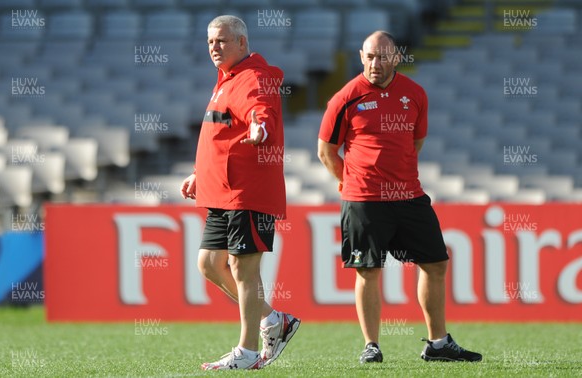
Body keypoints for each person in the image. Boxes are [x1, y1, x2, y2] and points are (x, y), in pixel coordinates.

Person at [317, 31, 482, 363]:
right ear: (361, 57)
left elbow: (415, 143)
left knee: (436, 263)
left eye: (382, 56)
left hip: (409, 196)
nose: (375, 63)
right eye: (369, 57)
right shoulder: (345, 97)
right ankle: (371, 345)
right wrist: (349, 182)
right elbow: (326, 151)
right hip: (364, 198)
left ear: (397, 58)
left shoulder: (415, 94)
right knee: (368, 269)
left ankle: (438, 343)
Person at [180, 15, 300, 370]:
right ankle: (275, 320)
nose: (214, 48)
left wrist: (260, 129)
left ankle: (247, 352)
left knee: (244, 269)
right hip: (222, 191)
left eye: (221, 41)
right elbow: (223, 135)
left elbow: (260, 112)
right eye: (210, 42)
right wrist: (199, 173)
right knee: (209, 264)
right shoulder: (227, 80)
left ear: (242, 43)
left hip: (248, 190)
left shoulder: (255, 76)